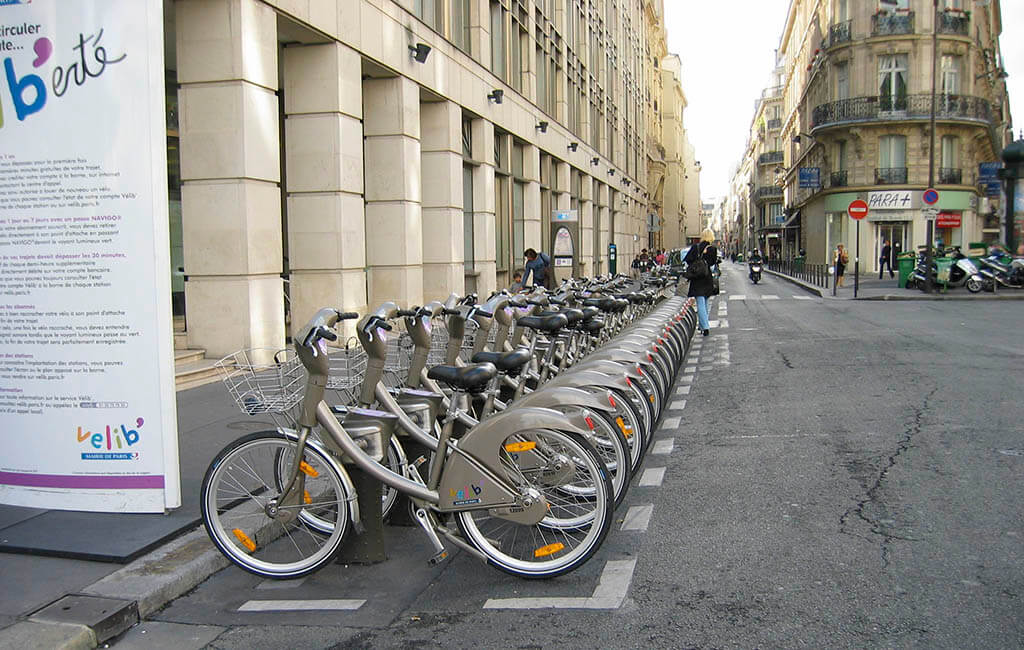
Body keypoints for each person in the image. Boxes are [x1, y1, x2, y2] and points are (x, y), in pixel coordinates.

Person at [684, 228, 718, 337]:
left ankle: (705, 326)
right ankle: (704, 325)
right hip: (707, 278)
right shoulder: (713, 249)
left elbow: (687, 259)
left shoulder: (695, 247)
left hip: (697, 278)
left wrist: (696, 264)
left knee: (700, 303)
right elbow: (712, 264)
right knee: (705, 302)